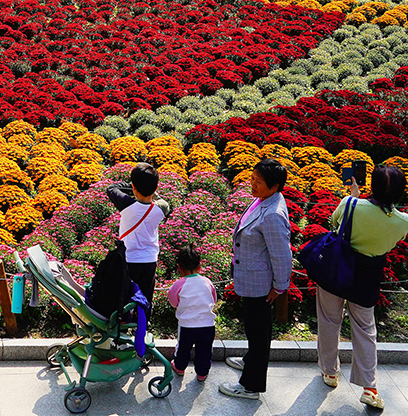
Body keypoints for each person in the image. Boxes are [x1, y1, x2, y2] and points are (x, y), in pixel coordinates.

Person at [317, 165, 408, 410]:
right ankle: (369, 387)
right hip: (368, 276)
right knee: (365, 329)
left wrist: (354, 196)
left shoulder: (350, 204)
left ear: (373, 185)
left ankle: (330, 373)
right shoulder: (404, 222)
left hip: (337, 268)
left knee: (329, 320)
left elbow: (334, 222)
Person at [220, 158, 292, 401]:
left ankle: (251, 385)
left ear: (274, 187)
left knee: (259, 334)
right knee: (253, 328)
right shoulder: (264, 200)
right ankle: (250, 361)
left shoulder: (272, 215)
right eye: (252, 179)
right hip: (251, 279)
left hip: (261, 285)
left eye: (258, 182)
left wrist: (280, 287)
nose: (252, 185)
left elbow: (282, 255)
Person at [109, 163, 170, 321]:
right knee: (145, 298)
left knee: (124, 296)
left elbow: (111, 189)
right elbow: (161, 201)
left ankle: (123, 329)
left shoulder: (127, 205)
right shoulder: (161, 208)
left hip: (129, 259)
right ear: (156, 186)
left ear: (134, 187)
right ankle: (142, 327)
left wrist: (129, 186)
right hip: (150, 259)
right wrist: (150, 191)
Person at [168, 244, 218, 382]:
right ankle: (202, 373)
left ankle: (179, 367)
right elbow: (213, 299)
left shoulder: (179, 285)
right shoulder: (207, 282)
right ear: (200, 266)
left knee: (183, 348)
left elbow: (173, 302)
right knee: (205, 350)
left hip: (187, 326)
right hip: (208, 325)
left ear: (179, 267)